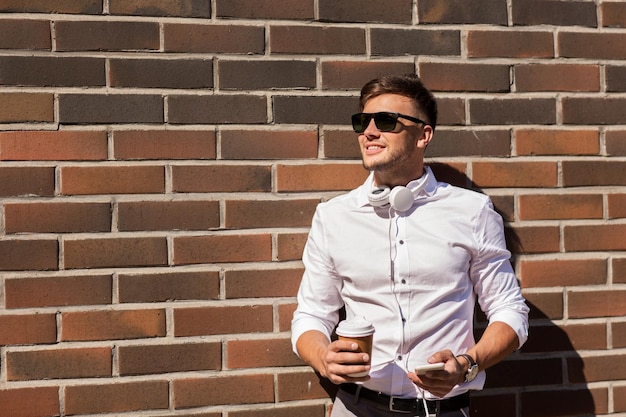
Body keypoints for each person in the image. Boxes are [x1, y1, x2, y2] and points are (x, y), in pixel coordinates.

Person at [291, 74, 529, 417]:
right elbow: (311, 315)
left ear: (423, 134)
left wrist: (467, 364)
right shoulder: (333, 217)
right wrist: (324, 359)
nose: (369, 132)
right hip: (357, 407)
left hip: (443, 411)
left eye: (386, 121)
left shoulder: (472, 212)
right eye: (363, 121)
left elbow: (511, 311)